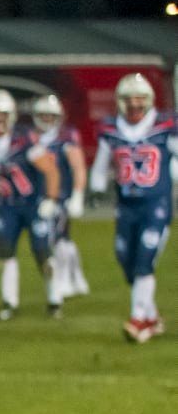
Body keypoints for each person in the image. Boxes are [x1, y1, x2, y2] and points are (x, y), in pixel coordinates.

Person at [88, 73, 175, 344]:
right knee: (126, 262)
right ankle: (151, 317)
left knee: (143, 262)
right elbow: (102, 164)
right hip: (126, 206)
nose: (135, 105)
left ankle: (138, 319)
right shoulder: (110, 129)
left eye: (140, 99)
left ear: (149, 101)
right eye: (129, 99)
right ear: (119, 102)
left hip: (156, 205)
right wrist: (96, 187)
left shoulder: (165, 126)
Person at [0, 90, 62, 321]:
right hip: (6, 205)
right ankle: (9, 301)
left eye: (1, 116)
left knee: (43, 254)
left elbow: (50, 169)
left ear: (11, 117)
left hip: (33, 203)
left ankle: (54, 299)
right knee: (5, 253)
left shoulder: (24, 139)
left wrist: (50, 198)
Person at [33, 95, 89, 300]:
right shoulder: (31, 138)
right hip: (40, 196)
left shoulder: (67, 136)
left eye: (51, 115)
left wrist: (77, 194)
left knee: (57, 238)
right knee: (60, 238)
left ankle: (66, 278)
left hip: (61, 196)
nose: (47, 119)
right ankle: (77, 277)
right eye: (43, 115)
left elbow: (77, 167)